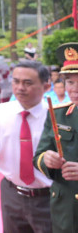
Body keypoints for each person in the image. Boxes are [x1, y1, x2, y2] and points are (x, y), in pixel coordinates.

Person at [0, 60, 53, 233]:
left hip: (47, 196)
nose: (20, 88)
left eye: (28, 83)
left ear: (46, 86)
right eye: (16, 81)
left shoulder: (56, 116)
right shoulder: (0, 111)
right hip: (12, 193)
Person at [34, 42, 78, 233]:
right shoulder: (58, 114)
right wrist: (48, 160)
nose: (75, 89)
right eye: (70, 82)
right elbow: (39, 157)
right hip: (65, 209)